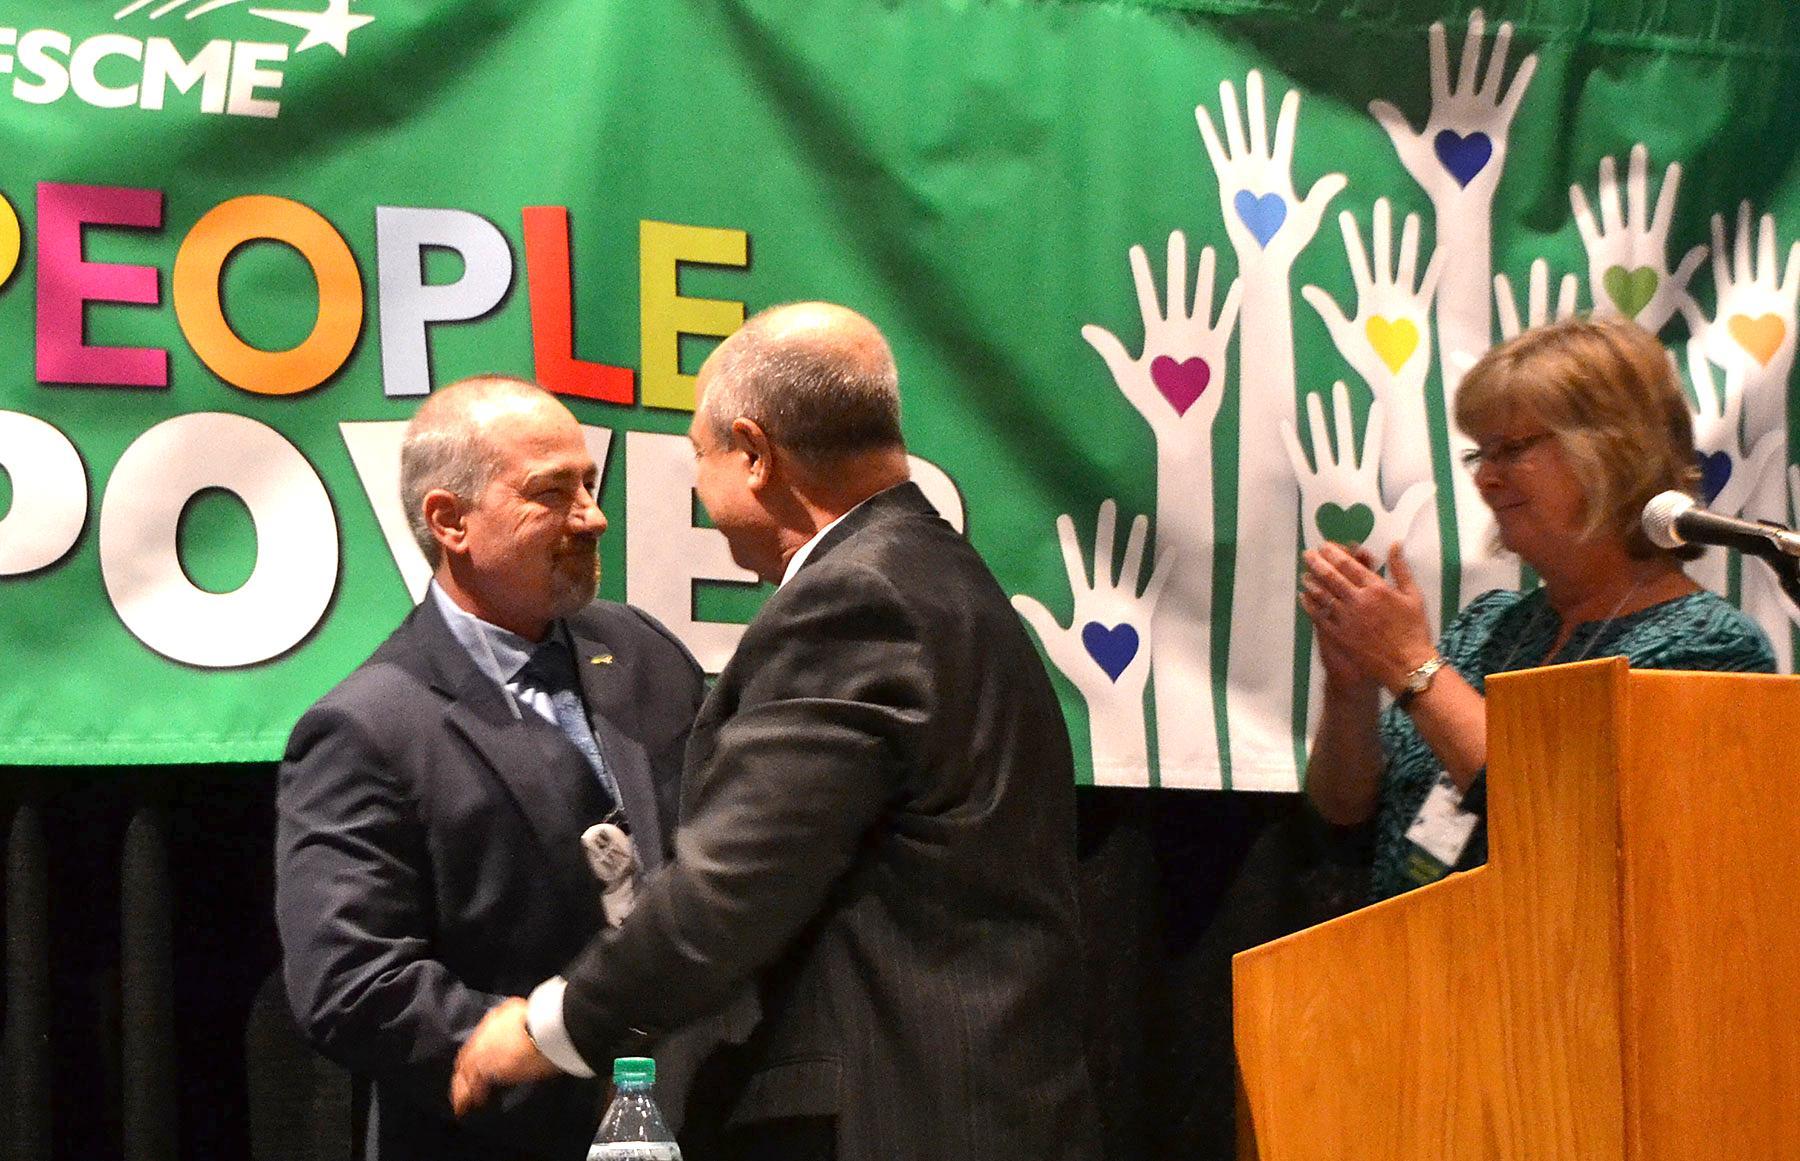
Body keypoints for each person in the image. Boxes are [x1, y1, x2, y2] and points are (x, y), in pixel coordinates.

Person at [450, 302, 1102, 1161]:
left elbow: (731, 889)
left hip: (901, 1120)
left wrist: (547, 1026)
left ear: (755, 455)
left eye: (699, 455)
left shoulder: (854, 603)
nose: (698, 488)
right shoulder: (937, 576)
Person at [274, 376, 706, 1161]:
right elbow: (347, 978)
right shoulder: (367, 727)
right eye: (553, 492)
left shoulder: (643, 651)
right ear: (451, 520)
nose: (594, 515)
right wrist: (527, 1040)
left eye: (590, 483)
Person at [1300, 317, 1775, 903]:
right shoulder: (1487, 627)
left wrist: (1406, 662)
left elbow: (1559, 810)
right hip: (1413, 973)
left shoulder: (1708, 646)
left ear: (1612, 450)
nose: (1487, 480)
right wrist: (1350, 686)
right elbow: (1343, 810)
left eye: (1514, 450)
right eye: (1482, 453)